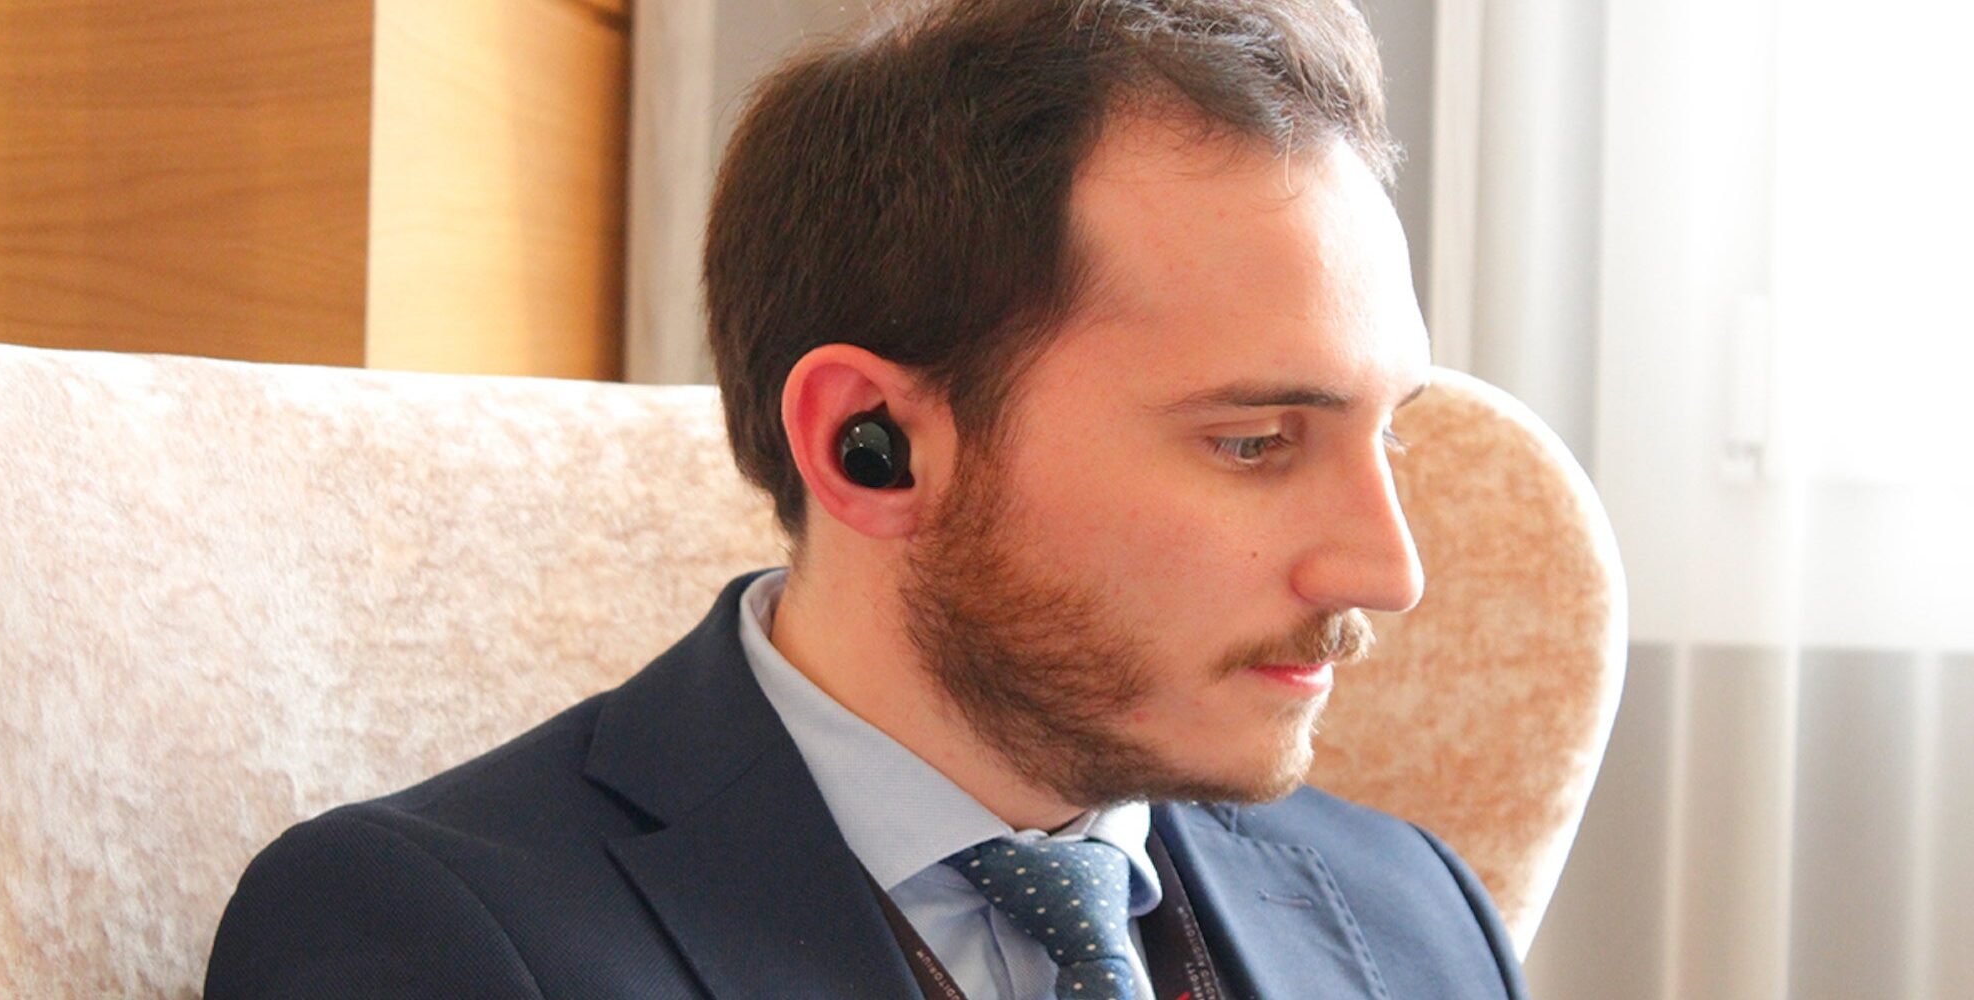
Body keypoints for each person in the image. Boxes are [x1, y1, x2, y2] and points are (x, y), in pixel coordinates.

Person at [204, 0, 1531, 997]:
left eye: (1388, 437)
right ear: (867, 448)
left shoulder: (1418, 919)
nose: (1388, 570)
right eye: (1254, 443)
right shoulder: (426, 938)